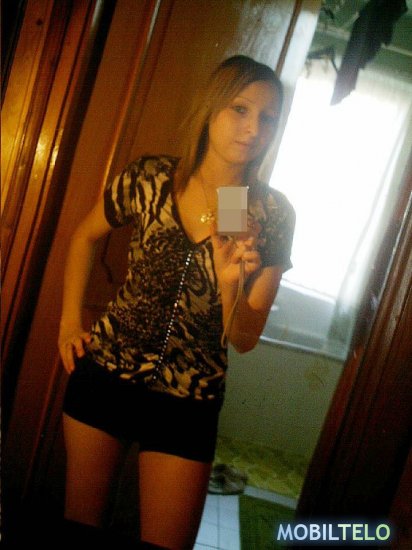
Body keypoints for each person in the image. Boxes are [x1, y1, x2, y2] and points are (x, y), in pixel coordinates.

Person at [58, 55, 295, 549]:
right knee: (79, 528)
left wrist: (229, 282)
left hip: (189, 402)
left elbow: (244, 339)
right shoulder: (150, 177)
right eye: (240, 109)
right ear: (211, 108)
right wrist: (67, 324)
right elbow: (83, 238)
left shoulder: (266, 212)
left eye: (268, 118)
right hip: (105, 374)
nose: (254, 128)